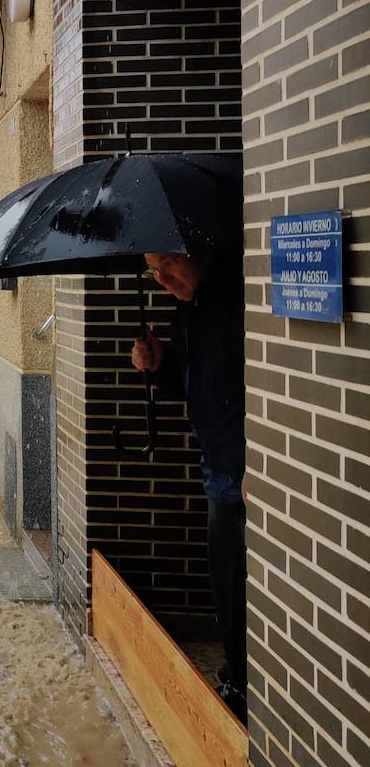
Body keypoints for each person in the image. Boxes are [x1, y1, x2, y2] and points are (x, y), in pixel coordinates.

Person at [131, 251, 247, 723]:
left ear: (195, 255)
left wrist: (253, 461)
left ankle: (245, 684)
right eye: (153, 272)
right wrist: (159, 365)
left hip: (244, 468)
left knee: (240, 580)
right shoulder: (187, 312)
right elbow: (193, 386)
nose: (162, 280)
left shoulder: (239, 302)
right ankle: (237, 673)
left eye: (169, 266)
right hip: (216, 464)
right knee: (225, 577)